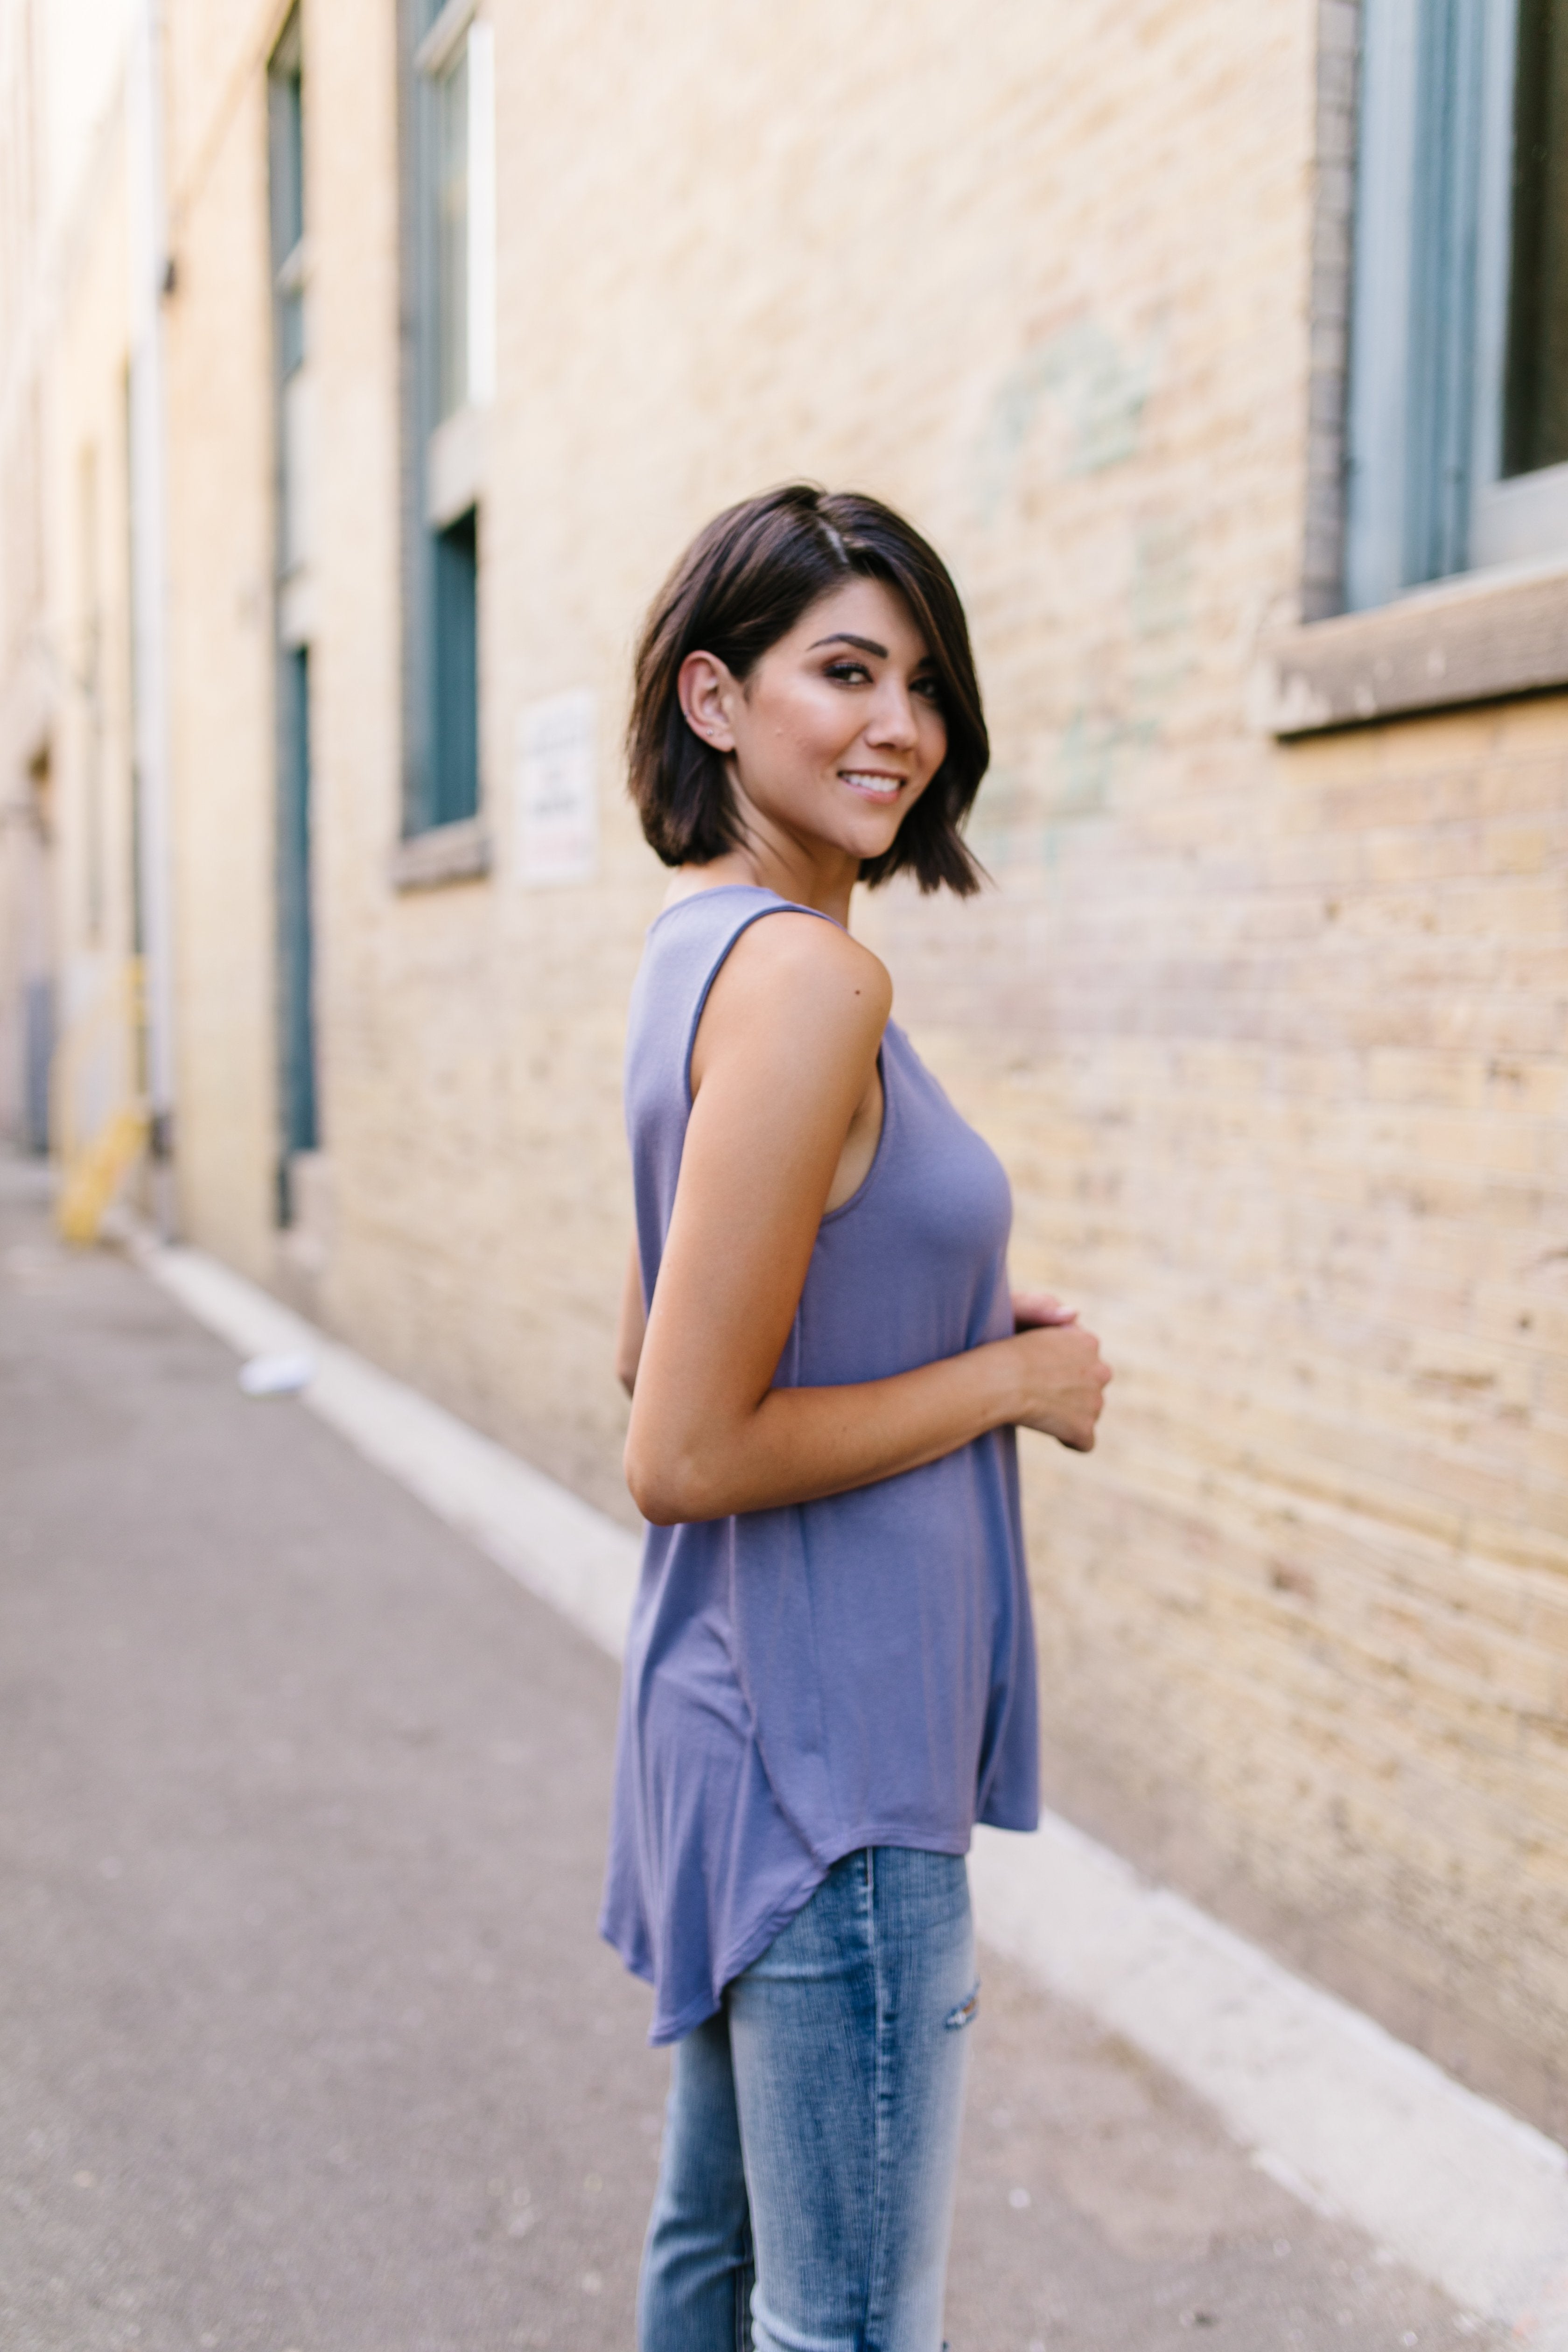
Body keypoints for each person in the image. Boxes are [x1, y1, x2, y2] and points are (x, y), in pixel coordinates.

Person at [603, 484, 1112, 2352]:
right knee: (849, 2326)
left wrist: (946, 1309)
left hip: (735, 1715)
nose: (901, 724)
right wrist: (1008, 1382)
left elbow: (657, 1349)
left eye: (924, 682)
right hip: (838, 1761)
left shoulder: (700, 952)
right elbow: (679, 1453)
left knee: (718, 2255)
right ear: (714, 698)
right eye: (844, 672)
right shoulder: (816, 980)